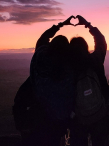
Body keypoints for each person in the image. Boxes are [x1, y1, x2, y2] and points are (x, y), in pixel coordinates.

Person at [29, 16, 76, 146]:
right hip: (60, 118)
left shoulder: (39, 58)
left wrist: (61, 25)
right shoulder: (68, 67)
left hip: (41, 113)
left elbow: (42, 39)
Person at [69, 15, 109, 146]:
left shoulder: (67, 68)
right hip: (100, 113)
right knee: (100, 141)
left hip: (78, 118)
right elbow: (101, 41)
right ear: (86, 47)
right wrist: (87, 25)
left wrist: (59, 26)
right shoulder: (95, 61)